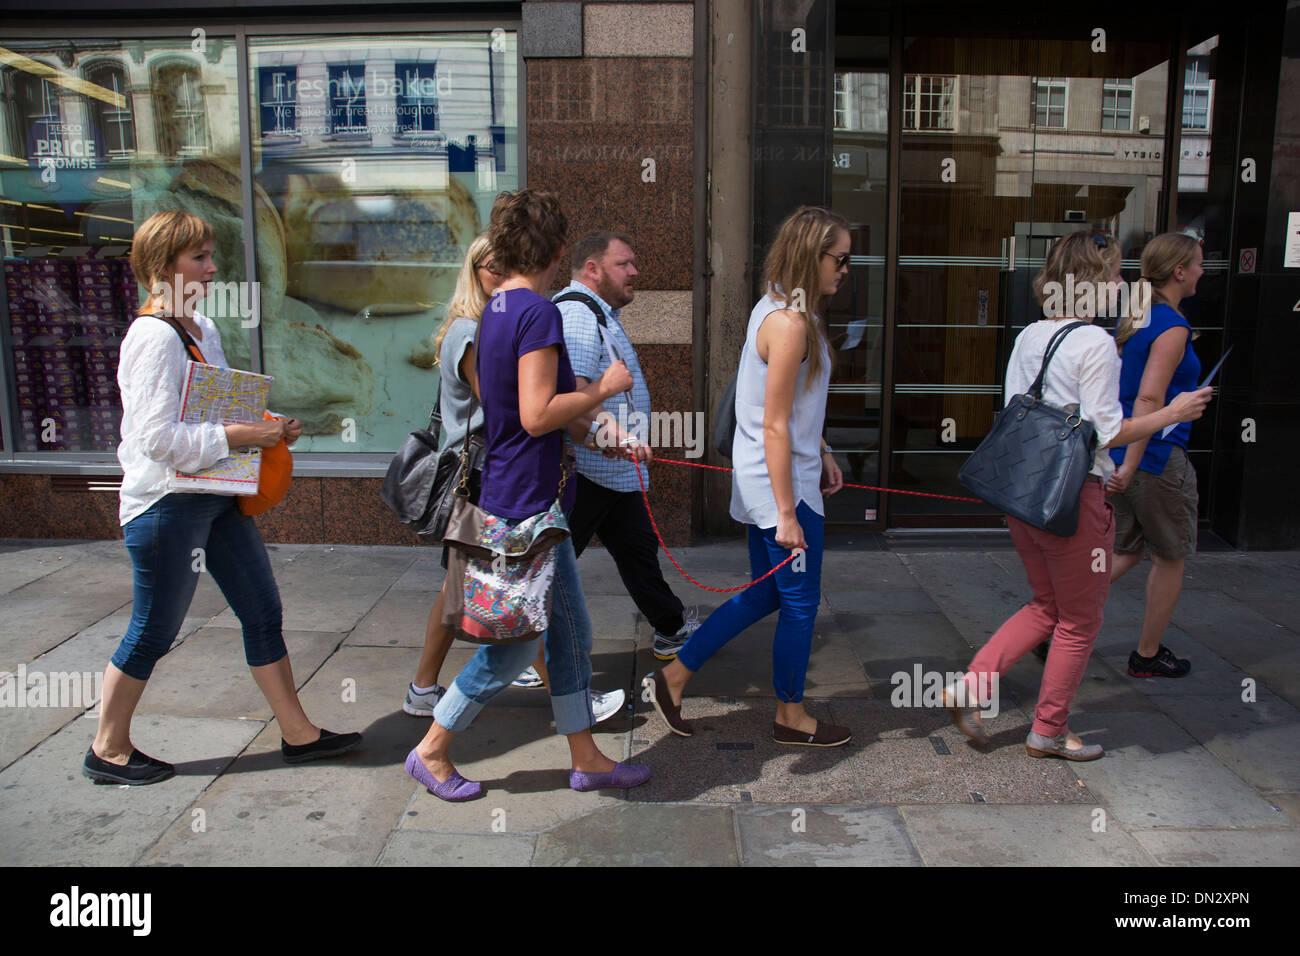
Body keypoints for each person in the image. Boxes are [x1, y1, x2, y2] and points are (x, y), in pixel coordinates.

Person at [84, 210, 361, 786]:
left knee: (262, 611)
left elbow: (217, 409)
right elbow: (156, 441)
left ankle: (298, 735)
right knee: (154, 629)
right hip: (166, 505)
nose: (213, 268)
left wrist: (267, 426)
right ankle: (107, 749)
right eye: (199, 258)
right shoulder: (153, 337)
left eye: (211, 256)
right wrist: (240, 436)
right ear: (163, 267)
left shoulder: (201, 329)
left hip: (214, 493)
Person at [404, 189, 651, 801]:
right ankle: (432, 750)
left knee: (570, 637)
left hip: (521, 497)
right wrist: (605, 389)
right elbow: (539, 413)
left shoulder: (495, 309)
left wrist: (600, 434)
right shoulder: (538, 313)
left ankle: (587, 757)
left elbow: (518, 411)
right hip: (524, 508)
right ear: (560, 249)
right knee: (514, 651)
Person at [942, 230, 1212, 761]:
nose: (1121, 285)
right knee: (1080, 620)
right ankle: (1047, 730)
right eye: (1114, 274)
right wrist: (1172, 414)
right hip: (1074, 500)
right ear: (1091, 281)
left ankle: (970, 688)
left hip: (1025, 493)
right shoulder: (1094, 344)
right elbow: (1109, 430)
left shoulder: (1029, 336)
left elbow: (1020, 406)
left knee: (1048, 605)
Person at [642, 205, 851, 747]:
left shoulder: (777, 309)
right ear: (813, 255)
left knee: (766, 596)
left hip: (773, 480)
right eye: (840, 259)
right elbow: (775, 425)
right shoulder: (789, 324)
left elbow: (782, 409)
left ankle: (674, 678)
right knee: (801, 602)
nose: (845, 270)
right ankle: (791, 716)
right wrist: (788, 513)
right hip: (785, 489)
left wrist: (824, 446)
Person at [550, 231, 699, 664]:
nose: (635, 272)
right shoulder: (578, 314)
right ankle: (527, 655)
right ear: (592, 269)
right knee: (554, 568)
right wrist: (614, 436)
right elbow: (573, 395)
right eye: (624, 264)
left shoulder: (598, 312)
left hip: (611, 471)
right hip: (589, 470)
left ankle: (670, 627)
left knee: (637, 552)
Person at [1106, 233, 1205, 678]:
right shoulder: (1172, 326)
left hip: (1126, 452)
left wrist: (1124, 462)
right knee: (1170, 556)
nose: (1203, 271)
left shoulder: (1138, 318)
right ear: (1179, 272)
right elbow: (1148, 399)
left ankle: (1045, 622)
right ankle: (1147, 655)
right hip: (1156, 457)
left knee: (1124, 552)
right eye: (1198, 264)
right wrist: (1132, 464)